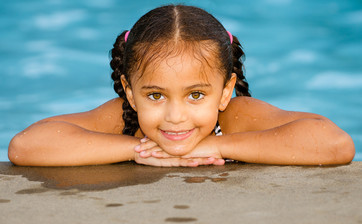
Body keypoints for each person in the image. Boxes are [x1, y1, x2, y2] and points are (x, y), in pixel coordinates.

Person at [8, 4, 355, 167]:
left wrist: (218, 147)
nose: (175, 116)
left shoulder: (236, 116)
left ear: (225, 91)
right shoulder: (126, 119)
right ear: (130, 91)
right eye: (155, 95)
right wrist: (137, 150)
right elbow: (26, 147)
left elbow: (335, 144)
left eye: (196, 95)